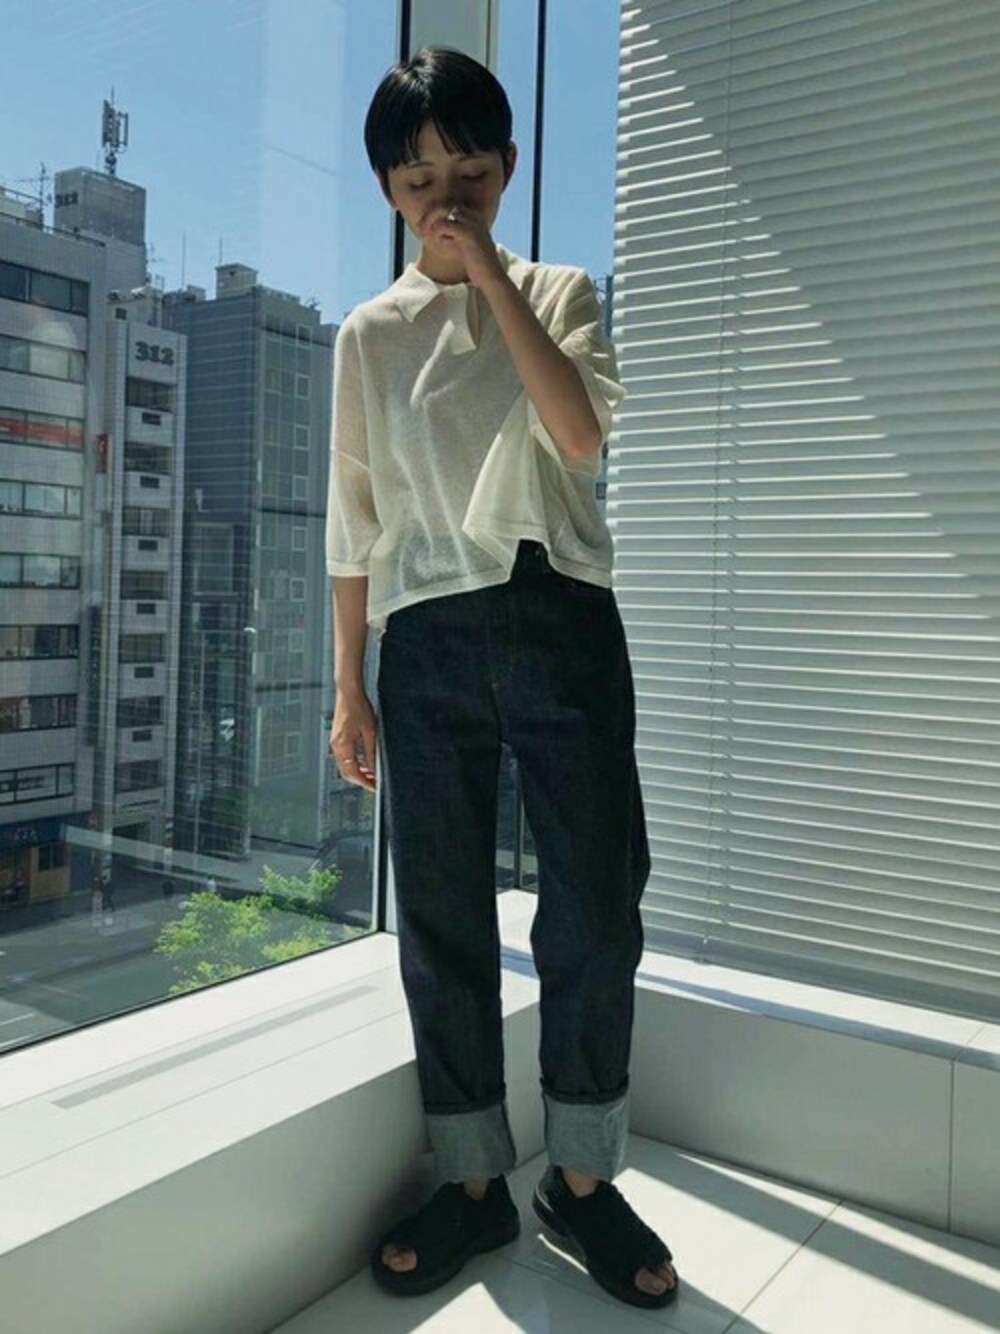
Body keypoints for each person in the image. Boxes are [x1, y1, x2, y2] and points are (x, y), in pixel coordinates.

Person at [326, 45, 678, 1310]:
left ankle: (578, 1178)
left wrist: (487, 276)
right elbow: (353, 519)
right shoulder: (367, 335)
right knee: (439, 913)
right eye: (419, 179)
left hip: (559, 613)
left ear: (509, 167)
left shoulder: (559, 290)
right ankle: (474, 1179)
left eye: (468, 171)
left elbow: (577, 433)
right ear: (387, 188)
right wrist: (348, 686)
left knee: (596, 900)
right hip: (423, 636)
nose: (447, 197)